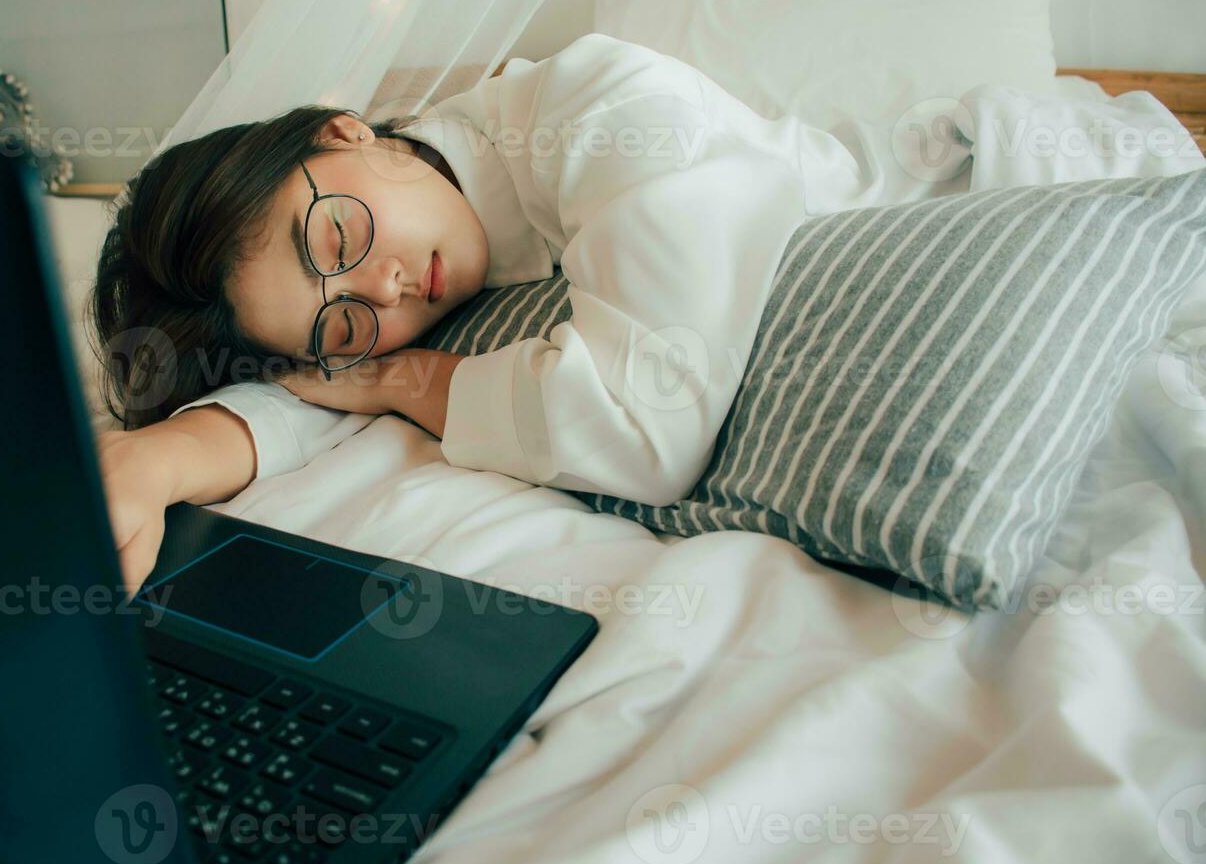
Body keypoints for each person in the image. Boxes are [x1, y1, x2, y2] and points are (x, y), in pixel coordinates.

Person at [90, 33, 925, 592]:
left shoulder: (606, 109)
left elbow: (644, 431)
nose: (382, 291)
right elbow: (305, 390)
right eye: (342, 323)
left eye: (337, 235)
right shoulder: (415, 246)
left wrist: (405, 377)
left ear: (345, 132)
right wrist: (151, 464)